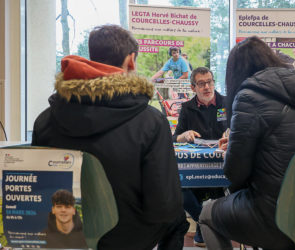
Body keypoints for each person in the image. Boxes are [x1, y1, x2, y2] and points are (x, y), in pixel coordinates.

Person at [32, 24, 189, 250]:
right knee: (176, 219)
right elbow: (164, 206)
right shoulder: (151, 122)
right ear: (131, 61)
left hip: (65, 235)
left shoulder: (45, 120)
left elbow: (39, 194)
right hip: (129, 239)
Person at [199, 36, 295, 249]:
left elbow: (235, 174)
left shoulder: (249, 96)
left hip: (273, 216)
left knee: (206, 213)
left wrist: (230, 152)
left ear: (236, 72)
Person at [173, 67, 227, 247]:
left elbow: (242, 133)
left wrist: (232, 135)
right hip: (196, 168)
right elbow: (175, 138)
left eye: (210, 82)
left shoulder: (227, 103)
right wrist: (185, 135)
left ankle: (203, 228)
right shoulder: (187, 108)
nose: (207, 87)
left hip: (223, 167)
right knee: (177, 189)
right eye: (201, 83)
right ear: (193, 87)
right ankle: (206, 224)